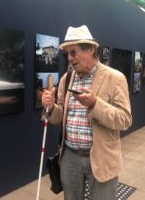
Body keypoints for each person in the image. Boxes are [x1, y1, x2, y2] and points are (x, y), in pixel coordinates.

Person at [42, 25, 132, 200]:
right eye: (66, 54)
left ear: (90, 49)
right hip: (69, 157)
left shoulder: (115, 78)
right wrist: (51, 107)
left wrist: (95, 104)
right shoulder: (66, 79)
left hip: (101, 158)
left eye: (73, 52)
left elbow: (125, 119)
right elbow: (59, 116)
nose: (69, 58)